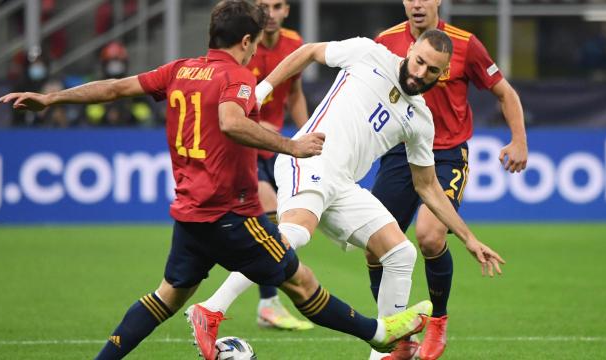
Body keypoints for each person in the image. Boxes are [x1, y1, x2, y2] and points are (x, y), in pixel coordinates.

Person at [0, 1, 431, 359]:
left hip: (189, 214)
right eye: (255, 44)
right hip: (232, 215)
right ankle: (379, 335)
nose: (255, 53)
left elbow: (114, 87)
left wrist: (52, 97)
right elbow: (230, 121)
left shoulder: (181, 70)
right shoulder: (237, 78)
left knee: (165, 298)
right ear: (245, 41)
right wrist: (291, 145)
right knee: (303, 284)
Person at [188, 28, 505, 360]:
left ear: (443, 75)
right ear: (411, 50)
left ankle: (384, 353)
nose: (420, 73)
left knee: (401, 253)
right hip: (307, 159)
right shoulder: (370, 53)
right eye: (420, 62)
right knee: (295, 233)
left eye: (432, 70)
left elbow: (427, 186)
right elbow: (309, 51)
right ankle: (211, 310)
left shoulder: (421, 119)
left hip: (343, 185)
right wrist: (263, 89)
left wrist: (469, 238)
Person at [369, 1, 528, 359]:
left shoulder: (465, 44)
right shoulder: (384, 41)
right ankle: (398, 332)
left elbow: (505, 92)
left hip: (445, 154)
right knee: (374, 245)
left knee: (429, 235)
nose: (419, 3)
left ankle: (437, 323)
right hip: (399, 152)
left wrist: (519, 139)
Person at [206, 0, 313, 332]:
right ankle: (267, 303)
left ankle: (266, 300)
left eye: (277, 6)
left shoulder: (294, 44)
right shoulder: (241, 40)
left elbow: (294, 93)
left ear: (287, 11)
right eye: (264, 6)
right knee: (268, 213)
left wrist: (307, 130)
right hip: (245, 144)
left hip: (277, 146)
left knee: (280, 222)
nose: (270, 13)